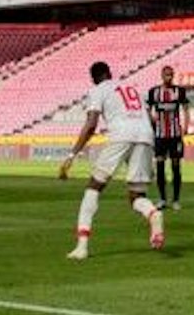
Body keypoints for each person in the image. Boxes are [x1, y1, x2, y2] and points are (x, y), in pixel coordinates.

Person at [59, 60, 165, 259]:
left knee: (94, 187)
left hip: (121, 135)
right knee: (137, 196)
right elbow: (151, 119)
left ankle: (82, 246)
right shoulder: (131, 88)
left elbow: (91, 124)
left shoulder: (98, 90)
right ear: (110, 72)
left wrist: (72, 155)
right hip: (145, 135)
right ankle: (153, 213)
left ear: (93, 79)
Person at [145, 65, 190, 211]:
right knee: (159, 166)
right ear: (162, 76)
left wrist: (186, 127)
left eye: (171, 75)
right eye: (166, 75)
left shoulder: (179, 91)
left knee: (176, 166)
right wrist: (152, 121)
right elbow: (147, 109)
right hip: (160, 136)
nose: (169, 78)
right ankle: (163, 199)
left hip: (175, 135)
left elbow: (186, 109)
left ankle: (176, 200)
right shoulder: (154, 92)